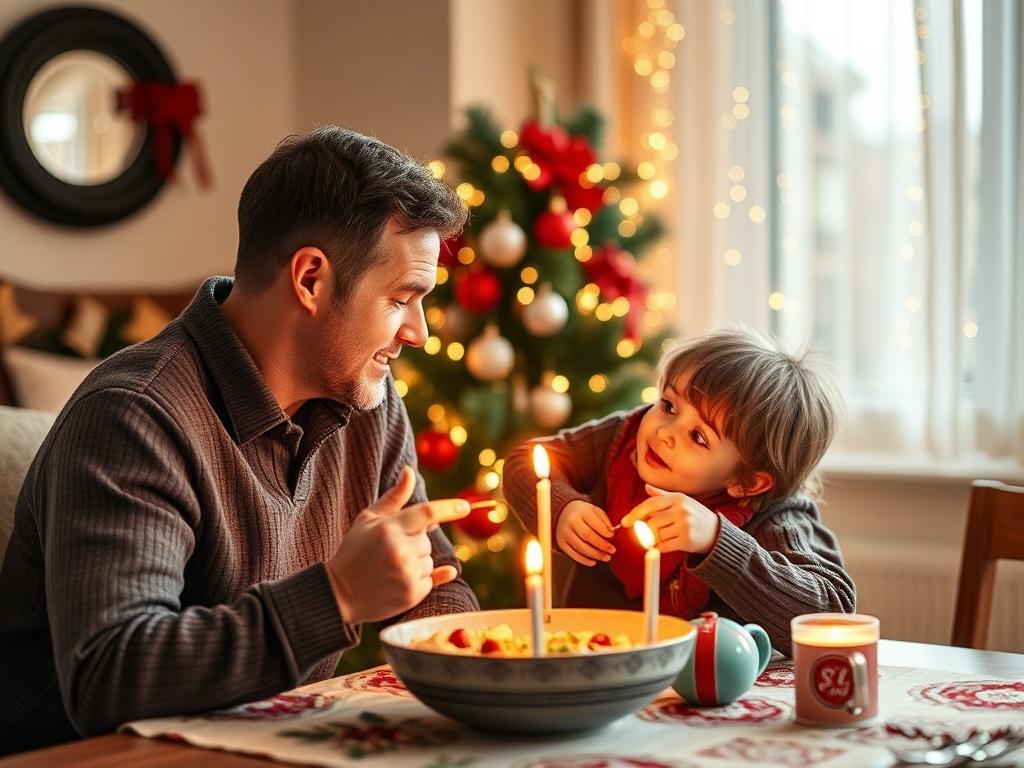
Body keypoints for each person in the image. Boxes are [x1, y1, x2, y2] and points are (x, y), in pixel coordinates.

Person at [0, 127, 479, 753]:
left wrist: (473, 661)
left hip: (266, 745)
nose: (417, 332)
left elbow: (434, 585)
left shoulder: (369, 401)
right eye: (400, 299)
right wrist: (336, 595)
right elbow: (109, 676)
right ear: (310, 279)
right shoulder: (134, 416)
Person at [502, 327, 854, 654]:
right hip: (591, 665)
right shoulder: (622, 440)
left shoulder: (774, 517)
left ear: (747, 482)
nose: (664, 432)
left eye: (698, 437)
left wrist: (718, 542)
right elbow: (522, 462)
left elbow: (830, 614)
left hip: (697, 691)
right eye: (669, 406)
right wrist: (561, 507)